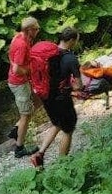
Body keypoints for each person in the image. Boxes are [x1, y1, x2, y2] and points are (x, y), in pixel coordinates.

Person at [31, 27, 83, 168]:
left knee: (57, 124)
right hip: (61, 100)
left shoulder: (50, 52)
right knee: (68, 130)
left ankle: (39, 154)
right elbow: (78, 86)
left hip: (46, 96)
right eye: (76, 40)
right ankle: (62, 164)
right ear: (71, 40)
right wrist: (76, 87)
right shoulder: (71, 58)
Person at [6, 17, 41, 158]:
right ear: (29, 30)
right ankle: (19, 149)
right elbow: (16, 69)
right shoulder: (22, 45)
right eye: (36, 29)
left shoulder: (19, 37)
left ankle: (16, 130)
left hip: (19, 82)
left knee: (32, 106)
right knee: (26, 115)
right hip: (19, 83)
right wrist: (30, 70)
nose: (38, 31)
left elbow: (11, 58)